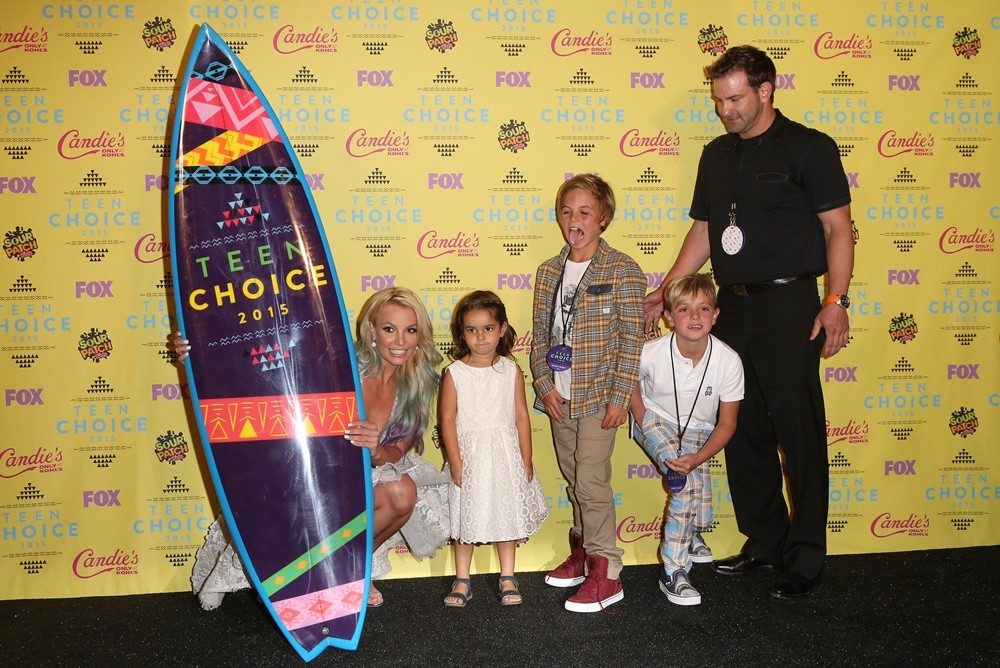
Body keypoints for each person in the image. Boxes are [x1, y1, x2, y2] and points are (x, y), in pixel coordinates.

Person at [643, 45, 854, 600]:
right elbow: (706, 231)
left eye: (734, 99)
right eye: (718, 100)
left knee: (798, 432)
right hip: (729, 307)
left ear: (766, 89)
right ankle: (765, 541)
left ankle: (805, 556)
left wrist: (836, 300)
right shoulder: (715, 155)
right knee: (742, 431)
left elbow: (838, 230)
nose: (725, 111)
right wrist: (665, 291)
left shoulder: (810, 147)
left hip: (791, 306)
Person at [173, 287, 450, 609]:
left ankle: (350, 569)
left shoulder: (416, 384)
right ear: (372, 330)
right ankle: (279, 570)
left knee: (403, 492)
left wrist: (375, 451)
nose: (400, 341)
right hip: (305, 476)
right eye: (390, 329)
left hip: (356, 480)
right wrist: (199, 352)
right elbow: (265, 369)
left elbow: (398, 449)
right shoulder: (340, 364)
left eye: (410, 330)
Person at [530, 173, 645, 613]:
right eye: (566, 211)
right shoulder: (548, 272)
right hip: (560, 397)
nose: (573, 220)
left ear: (604, 219)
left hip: (600, 397)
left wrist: (621, 397)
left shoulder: (622, 270)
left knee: (592, 481)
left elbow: (630, 339)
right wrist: (544, 385)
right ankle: (581, 555)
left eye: (584, 212)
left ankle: (606, 570)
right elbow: (540, 336)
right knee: (575, 477)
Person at [629, 274, 743, 606]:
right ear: (668, 316)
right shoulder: (650, 352)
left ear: (716, 315)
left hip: (700, 431)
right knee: (688, 483)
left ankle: (692, 531)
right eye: (684, 309)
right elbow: (627, 378)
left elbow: (727, 424)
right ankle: (673, 571)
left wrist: (697, 457)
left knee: (697, 487)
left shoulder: (729, 360)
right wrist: (641, 416)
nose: (694, 317)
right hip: (656, 420)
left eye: (703, 308)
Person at [439, 290, 548, 608]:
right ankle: (462, 578)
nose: (480, 337)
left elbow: (521, 416)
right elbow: (447, 421)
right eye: (471, 330)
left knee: (507, 515)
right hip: (470, 456)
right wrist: (456, 462)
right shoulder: (454, 374)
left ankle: (508, 576)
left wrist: (526, 458)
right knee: (465, 520)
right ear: (462, 333)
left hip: (504, 455)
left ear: (502, 329)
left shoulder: (511, 371)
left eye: (487, 328)